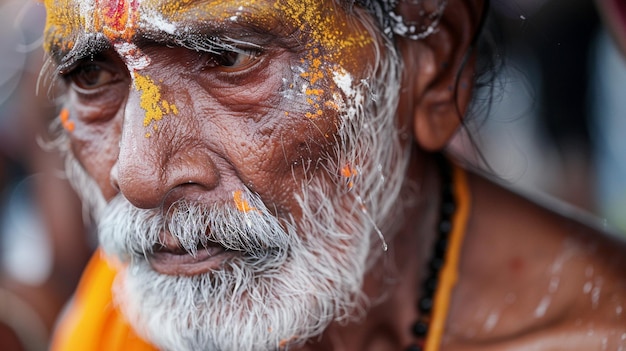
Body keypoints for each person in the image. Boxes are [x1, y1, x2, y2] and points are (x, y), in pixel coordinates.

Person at [40, 0, 626, 350]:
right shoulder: (152, 291)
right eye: (91, 74)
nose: (137, 175)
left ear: (432, 62)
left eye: (230, 58)